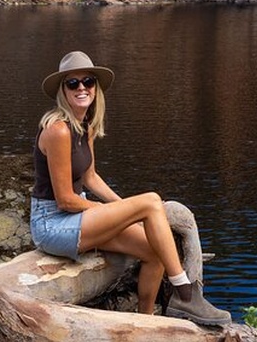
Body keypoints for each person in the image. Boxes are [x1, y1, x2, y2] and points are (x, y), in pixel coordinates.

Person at [30, 50, 231, 325]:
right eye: (72, 83)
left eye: (88, 81)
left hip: (76, 216)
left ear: (95, 88)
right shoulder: (58, 130)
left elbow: (90, 177)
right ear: (62, 91)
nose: (81, 88)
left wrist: (122, 207)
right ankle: (186, 296)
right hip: (52, 224)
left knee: (155, 251)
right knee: (151, 202)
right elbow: (65, 200)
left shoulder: (84, 125)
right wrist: (127, 210)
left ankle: (146, 324)